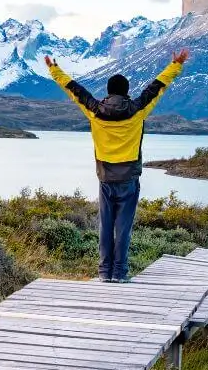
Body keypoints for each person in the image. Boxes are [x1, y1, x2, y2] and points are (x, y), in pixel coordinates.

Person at [44, 49, 189, 282]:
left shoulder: (94, 110)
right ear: (126, 91)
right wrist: (176, 64)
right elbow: (157, 88)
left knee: (105, 226)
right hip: (129, 179)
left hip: (105, 179)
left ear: (109, 91)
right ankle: (119, 273)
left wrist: (53, 69)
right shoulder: (138, 110)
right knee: (123, 228)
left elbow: (73, 89)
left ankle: (104, 273)